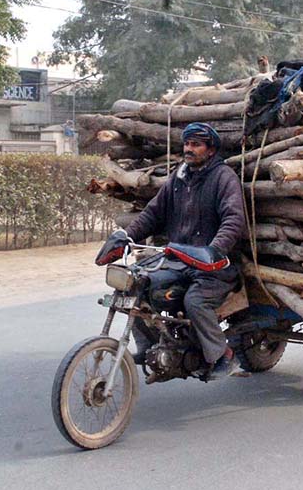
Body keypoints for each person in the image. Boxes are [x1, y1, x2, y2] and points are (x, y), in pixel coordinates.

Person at [96, 122, 247, 379]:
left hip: (215, 266)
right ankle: (148, 345)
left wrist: (215, 250)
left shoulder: (223, 178)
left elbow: (233, 221)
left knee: (194, 301)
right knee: (134, 283)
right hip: (178, 259)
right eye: (187, 144)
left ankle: (224, 355)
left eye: (196, 144)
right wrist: (126, 235)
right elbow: (153, 214)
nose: (189, 149)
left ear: (211, 150)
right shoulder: (179, 177)